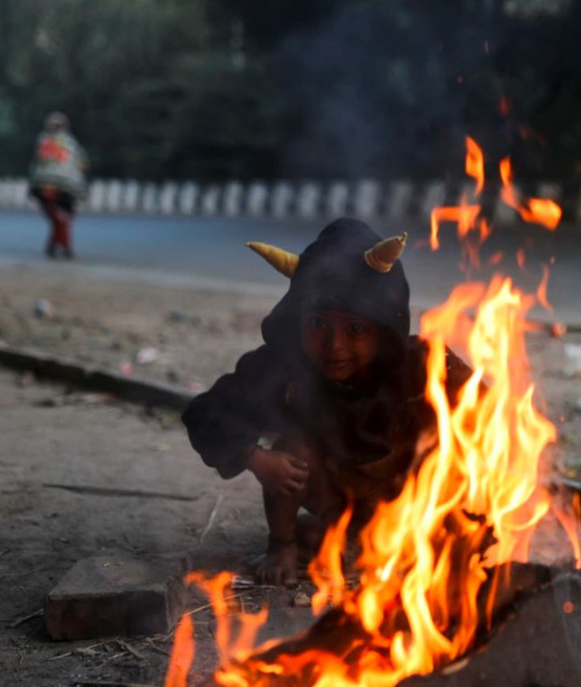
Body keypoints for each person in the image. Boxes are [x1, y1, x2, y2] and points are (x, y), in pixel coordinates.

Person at [182, 218, 472, 586]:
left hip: (401, 496)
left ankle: (406, 539)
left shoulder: (419, 363)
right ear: (298, 320)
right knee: (293, 447)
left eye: (355, 329)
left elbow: (487, 405)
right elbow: (207, 411)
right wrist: (254, 457)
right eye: (318, 324)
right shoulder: (284, 365)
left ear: (383, 330)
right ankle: (283, 544)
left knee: (448, 439)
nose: (335, 346)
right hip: (327, 490)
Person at [28, 112, 88, 259]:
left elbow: (37, 164)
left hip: (48, 185)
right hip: (63, 187)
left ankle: (54, 247)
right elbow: (82, 164)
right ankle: (64, 247)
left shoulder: (44, 141)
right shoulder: (71, 143)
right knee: (61, 219)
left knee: (57, 218)